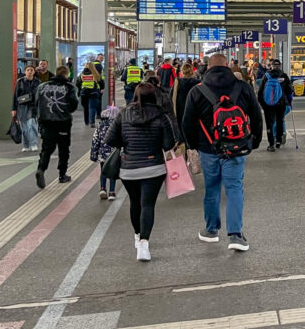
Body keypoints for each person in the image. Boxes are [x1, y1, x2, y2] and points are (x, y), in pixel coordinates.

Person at [182, 53, 263, 252]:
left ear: (207, 67)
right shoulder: (243, 87)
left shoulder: (196, 91)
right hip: (237, 148)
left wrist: (193, 145)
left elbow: (187, 123)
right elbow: (256, 115)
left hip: (208, 149)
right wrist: (255, 141)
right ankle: (235, 235)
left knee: (212, 189)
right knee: (234, 188)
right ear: (227, 66)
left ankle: (211, 230)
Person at [106, 83, 177, 262]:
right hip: (154, 168)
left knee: (135, 203)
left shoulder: (123, 114)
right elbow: (169, 144)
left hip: (129, 169)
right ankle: (144, 243)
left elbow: (110, 139)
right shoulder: (161, 115)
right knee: (148, 204)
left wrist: (127, 142)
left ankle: (137, 237)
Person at [33, 66, 79, 189]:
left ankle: (41, 169)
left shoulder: (42, 86)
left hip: (46, 122)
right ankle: (62, 175)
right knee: (64, 150)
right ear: (66, 74)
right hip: (63, 122)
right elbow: (73, 106)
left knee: (46, 149)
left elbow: (36, 103)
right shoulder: (69, 87)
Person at [257, 59, 292, 152]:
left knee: (269, 123)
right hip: (281, 104)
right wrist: (289, 102)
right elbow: (289, 90)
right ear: (280, 66)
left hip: (268, 105)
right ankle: (278, 141)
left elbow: (260, 92)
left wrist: (263, 104)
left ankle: (271, 144)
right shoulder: (284, 76)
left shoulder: (267, 76)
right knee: (280, 121)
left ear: (271, 66)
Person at [90, 105, 120, 200]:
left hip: (102, 153)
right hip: (114, 154)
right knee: (113, 173)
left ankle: (102, 188)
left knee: (103, 170)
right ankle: (112, 192)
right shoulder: (118, 125)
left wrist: (93, 154)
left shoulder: (100, 125)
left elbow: (95, 140)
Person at [12, 66, 40, 153]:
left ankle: (34, 144)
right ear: (25, 72)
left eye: (31, 70)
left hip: (33, 106)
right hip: (22, 106)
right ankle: (26, 145)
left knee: (32, 125)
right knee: (24, 127)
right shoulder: (20, 82)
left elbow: (40, 95)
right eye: (28, 70)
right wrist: (13, 108)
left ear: (34, 72)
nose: (29, 72)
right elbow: (15, 96)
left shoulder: (37, 82)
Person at [77, 63, 104, 128]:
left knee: (86, 108)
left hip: (84, 93)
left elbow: (77, 83)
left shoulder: (81, 74)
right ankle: (92, 122)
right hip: (93, 93)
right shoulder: (95, 74)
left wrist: (80, 89)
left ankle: (86, 122)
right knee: (92, 107)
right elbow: (101, 82)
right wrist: (101, 88)